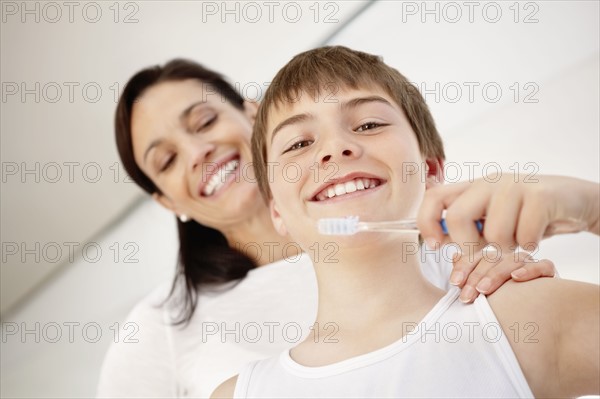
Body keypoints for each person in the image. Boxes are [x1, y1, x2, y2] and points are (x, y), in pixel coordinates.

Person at [97, 59, 558, 398]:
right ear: (166, 200)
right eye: (167, 160)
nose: (197, 151)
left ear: (253, 116)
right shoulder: (159, 328)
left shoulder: (441, 247)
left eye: (205, 121)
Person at [212, 46, 599, 398]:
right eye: (298, 144)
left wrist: (591, 207)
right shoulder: (241, 394)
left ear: (429, 169)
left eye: (368, 125)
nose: (334, 148)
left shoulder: (521, 320)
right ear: (276, 210)